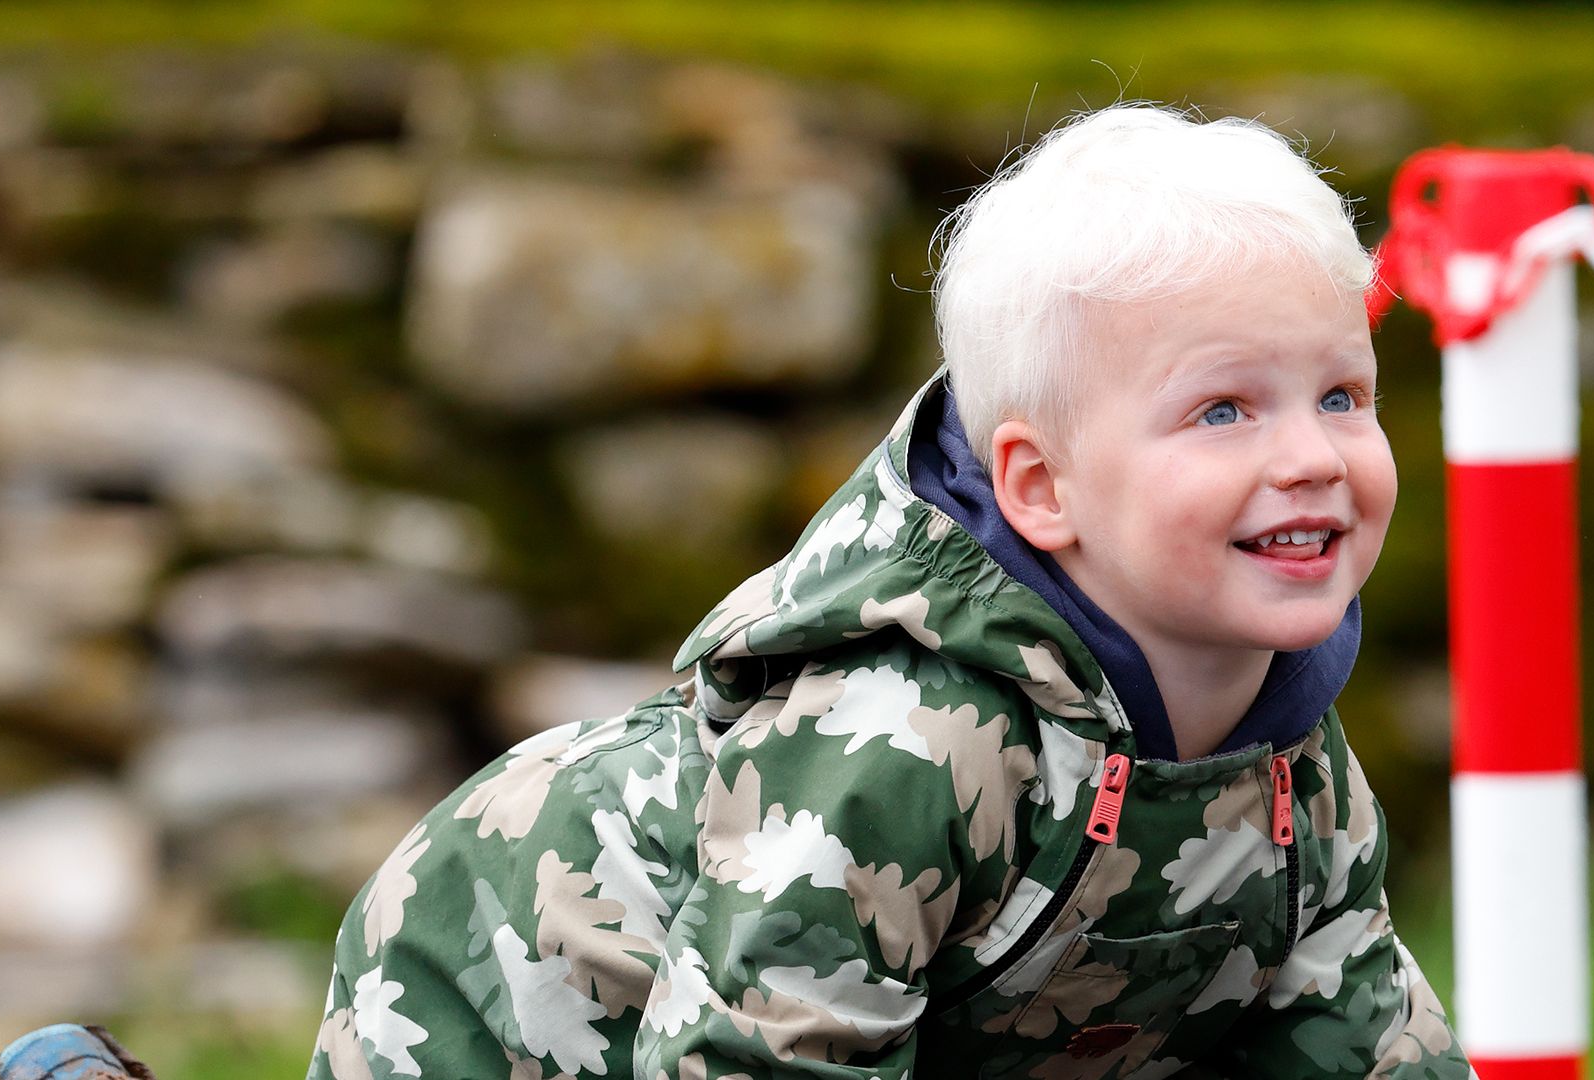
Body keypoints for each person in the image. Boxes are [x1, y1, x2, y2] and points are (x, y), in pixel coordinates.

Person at [307, 103, 1474, 1079]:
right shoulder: (903, 740)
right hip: (492, 1005)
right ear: (1041, 486)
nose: (1314, 456)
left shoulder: (1293, 763)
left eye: (1341, 397)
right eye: (1223, 410)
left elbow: (1358, 1029)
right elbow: (767, 1056)